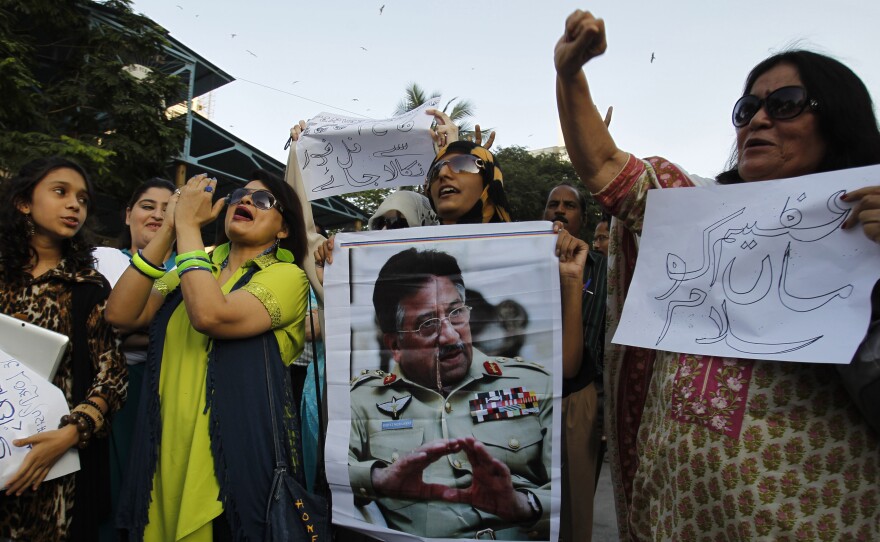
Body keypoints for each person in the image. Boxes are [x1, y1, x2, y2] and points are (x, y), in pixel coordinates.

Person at [556, 9, 880, 539]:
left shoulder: (870, 232)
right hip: (672, 519)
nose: (757, 120)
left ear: (838, 118)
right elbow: (606, 168)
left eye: (785, 105)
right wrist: (569, 76)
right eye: (748, 107)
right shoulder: (694, 215)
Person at [107, 170, 310, 541]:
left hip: (230, 464)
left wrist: (186, 228)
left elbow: (210, 315)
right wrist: (170, 226)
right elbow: (121, 315)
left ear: (283, 230)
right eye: (239, 195)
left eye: (262, 200)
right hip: (163, 450)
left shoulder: (288, 276)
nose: (245, 201)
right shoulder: (198, 267)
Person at [349, 248, 552, 540]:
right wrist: (379, 479)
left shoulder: (534, 385)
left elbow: (567, 488)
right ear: (395, 344)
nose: (451, 336)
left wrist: (524, 505)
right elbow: (328, 478)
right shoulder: (363, 401)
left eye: (456, 313)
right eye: (428, 324)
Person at [0, 157, 126, 541]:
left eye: (83, 199)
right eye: (61, 192)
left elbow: (113, 376)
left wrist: (72, 433)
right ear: (24, 203)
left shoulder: (88, 286)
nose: (75, 205)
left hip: (58, 470)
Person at [93, 177, 177, 541]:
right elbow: (104, 324)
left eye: (168, 209)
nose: (158, 216)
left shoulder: (189, 270)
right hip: (101, 391)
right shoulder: (102, 258)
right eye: (148, 206)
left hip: (162, 393)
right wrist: (151, 327)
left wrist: (131, 327)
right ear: (128, 215)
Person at [542, 182, 607, 541]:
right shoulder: (524, 259)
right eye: (553, 204)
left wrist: (604, 409)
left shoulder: (604, 270)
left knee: (574, 501)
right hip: (526, 396)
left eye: (569, 205)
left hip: (578, 394)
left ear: (582, 217)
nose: (560, 210)